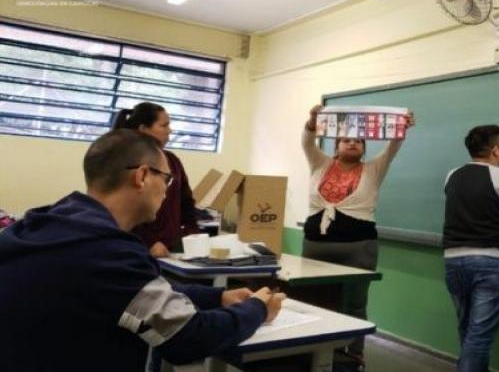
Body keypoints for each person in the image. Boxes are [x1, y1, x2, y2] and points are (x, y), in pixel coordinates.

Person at [0, 129, 286, 372]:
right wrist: (258, 308)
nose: (166, 191)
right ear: (142, 176)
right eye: (167, 179)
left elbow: (136, 290)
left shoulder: (46, 225)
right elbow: (190, 337)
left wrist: (218, 296)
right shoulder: (106, 250)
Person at [301, 105, 414, 367]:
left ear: (364, 147)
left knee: (354, 303)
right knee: (314, 300)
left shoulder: (374, 168)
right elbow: (307, 141)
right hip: (316, 246)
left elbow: (394, 145)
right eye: (345, 140)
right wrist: (312, 121)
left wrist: (401, 126)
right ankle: (311, 348)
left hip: (358, 248)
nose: (352, 143)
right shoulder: (319, 162)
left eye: (358, 141)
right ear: (335, 146)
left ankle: (352, 354)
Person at [442, 125, 499, 372]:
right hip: (491, 263)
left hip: (453, 261)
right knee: (480, 336)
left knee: (469, 332)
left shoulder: (452, 175)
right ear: (495, 150)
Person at [112, 102, 198, 258]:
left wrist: (192, 233)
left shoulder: (173, 160)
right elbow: (122, 210)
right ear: (143, 129)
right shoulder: (125, 161)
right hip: (137, 250)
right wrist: (149, 242)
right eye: (164, 125)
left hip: (172, 251)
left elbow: (186, 202)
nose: (170, 130)